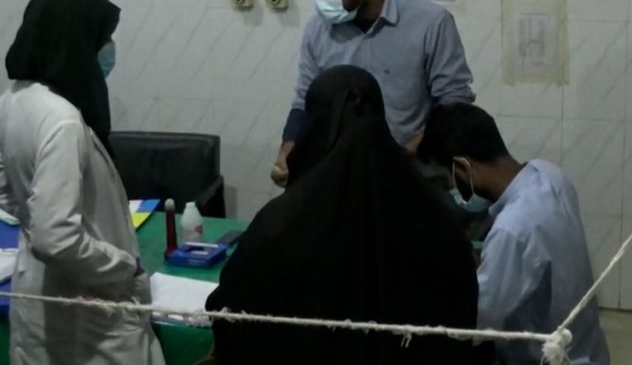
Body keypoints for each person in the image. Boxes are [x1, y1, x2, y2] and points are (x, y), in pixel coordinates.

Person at [207, 65, 484, 365]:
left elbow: (231, 314)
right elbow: (461, 310)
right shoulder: (436, 217)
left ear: (314, 127)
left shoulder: (280, 224)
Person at [0, 0, 164, 365]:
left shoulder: (15, 98)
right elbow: (56, 239)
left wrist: (37, 217)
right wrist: (122, 268)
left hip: (42, 288)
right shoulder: (62, 120)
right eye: (103, 37)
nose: (108, 48)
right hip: (88, 304)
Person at [271, 0, 475, 186]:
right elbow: (305, 100)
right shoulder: (318, 30)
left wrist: (410, 151)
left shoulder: (431, 24)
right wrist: (288, 151)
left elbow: (455, 103)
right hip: (342, 175)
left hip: (416, 175)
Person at [418, 103, 611, 365]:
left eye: (448, 180)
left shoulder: (513, 230)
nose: (452, 190)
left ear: (463, 167)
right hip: (588, 351)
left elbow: (474, 325)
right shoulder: (550, 175)